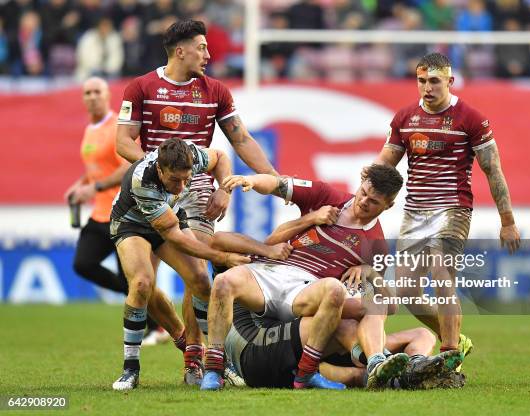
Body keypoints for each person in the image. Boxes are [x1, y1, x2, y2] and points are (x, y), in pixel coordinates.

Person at [115, 19, 278, 384]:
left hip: (198, 188)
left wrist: (274, 180)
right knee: (144, 283)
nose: (208, 54)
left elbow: (240, 139)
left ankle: (195, 357)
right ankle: (182, 339)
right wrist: (158, 168)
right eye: (202, 48)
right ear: (181, 51)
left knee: (196, 272)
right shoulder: (140, 87)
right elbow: (124, 142)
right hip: (153, 188)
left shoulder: (215, 91)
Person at [202, 164, 413, 391]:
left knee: (338, 291)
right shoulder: (327, 196)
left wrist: (369, 272)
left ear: (389, 205)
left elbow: (388, 306)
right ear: (361, 183)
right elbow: (278, 184)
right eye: (363, 193)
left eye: (374, 202)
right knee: (223, 281)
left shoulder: (376, 246)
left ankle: (350, 367)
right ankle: (213, 370)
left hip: (306, 290)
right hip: (270, 274)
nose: (363, 202)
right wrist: (250, 180)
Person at [371, 52, 521, 366]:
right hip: (415, 212)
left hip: (453, 209)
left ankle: (449, 355)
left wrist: (507, 221)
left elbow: (493, 170)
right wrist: (361, 197)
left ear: (449, 81)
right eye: (421, 80)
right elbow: (384, 166)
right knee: (408, 292)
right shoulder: (404, 119)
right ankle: (455, 338)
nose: (427, 87)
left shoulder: (471, 118)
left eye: (434, 81)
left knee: (441, 273)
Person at [110, 138, 292, 391]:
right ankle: (131, 369)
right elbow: (174, 237)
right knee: (142, 283)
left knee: (200, 281)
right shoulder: (144, 181)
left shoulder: (192, 155)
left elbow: (220, 157)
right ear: (160, 171)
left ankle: (220, 361)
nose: (183, 186)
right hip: (131, 223)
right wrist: (224, 258)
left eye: (186, 179)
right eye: (175, 181)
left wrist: (223, 189)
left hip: (170, 215)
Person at [63, 76, 173, 346]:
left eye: (96, 91)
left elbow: (128, 166)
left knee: (134, 277)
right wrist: (79, 186)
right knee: (83, 264)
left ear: (106, 95)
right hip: (99, 214)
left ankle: (158, 326)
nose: (92, 96)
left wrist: (96, 186)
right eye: (87, 92)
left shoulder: (117, 128)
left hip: (123, 213)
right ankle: (152, 318)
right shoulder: (90, 129)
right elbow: (94, 168)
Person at [225, 301, 466, 389]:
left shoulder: (356, 276)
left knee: (423, 333)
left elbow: (385, 306)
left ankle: (416, 364)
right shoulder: (310, 293)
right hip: (325, 354)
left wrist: (368, 274)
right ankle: (398, 375)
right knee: (352, 372)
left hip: (363, 345)